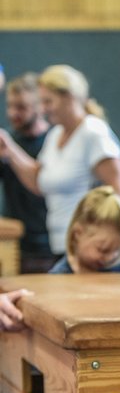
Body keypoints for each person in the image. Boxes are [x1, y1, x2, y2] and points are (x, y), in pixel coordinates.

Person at [0, 64, 120, 259]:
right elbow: (38, 181)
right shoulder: (56, 135)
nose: (43, 109)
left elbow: (119, 190)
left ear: (69, 97)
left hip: (90, 250)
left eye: (48, 102)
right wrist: (9, 149)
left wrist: (111, 244)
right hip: (61, 247)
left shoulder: (93, 132)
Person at [0, 72, 58, 272]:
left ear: (40, 106)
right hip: (15, 243)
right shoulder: (7, 140)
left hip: (48, 246)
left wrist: (11, 151)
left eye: (21, 107)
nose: (12, 113)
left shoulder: (56, 140)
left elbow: (40, 181)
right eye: (9, 106)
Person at [49, 185, 120, 274]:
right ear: (78, 233)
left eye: (117, 250)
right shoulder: (59, 276)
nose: (110, 258)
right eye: (103, 250)